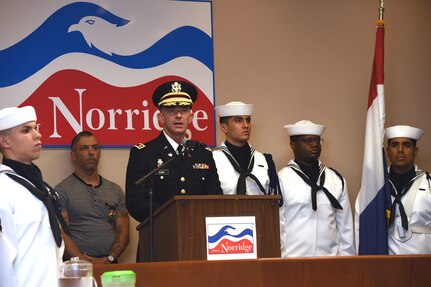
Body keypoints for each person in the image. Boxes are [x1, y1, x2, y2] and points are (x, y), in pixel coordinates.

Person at [125, 80, 222, 222]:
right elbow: (136, 202)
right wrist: (173, 217)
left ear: (191, 116)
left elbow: (215, 198)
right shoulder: (143, 153)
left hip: (197, 233)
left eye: (184, 110)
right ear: (161, 117)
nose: (178, 116)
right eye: (171, 110)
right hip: (160, 234)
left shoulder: (203, 154)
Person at [0, 106, 64, 287]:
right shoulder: (3, 188)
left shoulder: (40, 187)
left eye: (36, 128)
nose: (37, 135)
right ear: (5, 141)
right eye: (26, 130)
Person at [278, 120, 355, 257]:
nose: (314, 144)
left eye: (317, 140)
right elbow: (279, 227)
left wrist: (346, 265)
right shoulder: (281, 180)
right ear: (292, 144)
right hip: (292, 264)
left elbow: (346, 229)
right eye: (308, 140)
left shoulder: (336, 180)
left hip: (331, 265)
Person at [55, 131, 130, 264]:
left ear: (99, 153)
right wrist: (84, 262)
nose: (91, 152)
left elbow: (124, 233)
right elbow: (62, 235)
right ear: (74, 155)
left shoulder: (115, 190)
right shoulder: (62, 190)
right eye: (84, 148)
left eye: (95, 148)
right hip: (76, 266)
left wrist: (108, 259)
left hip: (110, 263)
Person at [212, 101, 280, 196]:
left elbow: (275, 202)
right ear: (224, 127)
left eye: (248, 120)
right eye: (238, 120)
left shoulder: (264, 160)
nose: (246, 125)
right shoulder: (213, 160)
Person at [385, 125, 431, 254]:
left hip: (424, 263)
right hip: (385, 265)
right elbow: (361, 225)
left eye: (406, 145)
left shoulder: (429, 183)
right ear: (388, 151)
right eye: (394, 145)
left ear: (415, 151)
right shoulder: (376, 186)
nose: (400, 150)